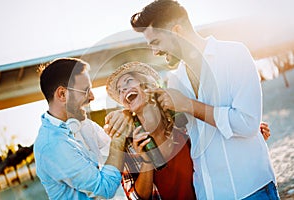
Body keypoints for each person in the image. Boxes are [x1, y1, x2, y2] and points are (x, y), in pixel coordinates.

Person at [125, 0, 279, 199]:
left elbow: (247, 123)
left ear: (177, 31)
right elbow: (185, 135)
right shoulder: (175, 80)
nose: (155, 52)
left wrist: (190, 106)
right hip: (208, 193)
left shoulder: (234, 54)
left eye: (156, 42)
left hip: (251, 188)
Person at [33, 57, 128, 199]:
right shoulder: (52, 145)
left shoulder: (80, 123)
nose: (92, 97)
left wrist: (125, 116)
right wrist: (119, 140)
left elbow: (120, 153)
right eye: (85, 90)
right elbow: (104, 188)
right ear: (62, 94)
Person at [106, 61, 196, 200]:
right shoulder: (128, 147)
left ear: (148, 85)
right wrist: (146, 161)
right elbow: (136, 197)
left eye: (128, 81)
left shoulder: (182, 126)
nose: (123, 90)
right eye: (119, 90)